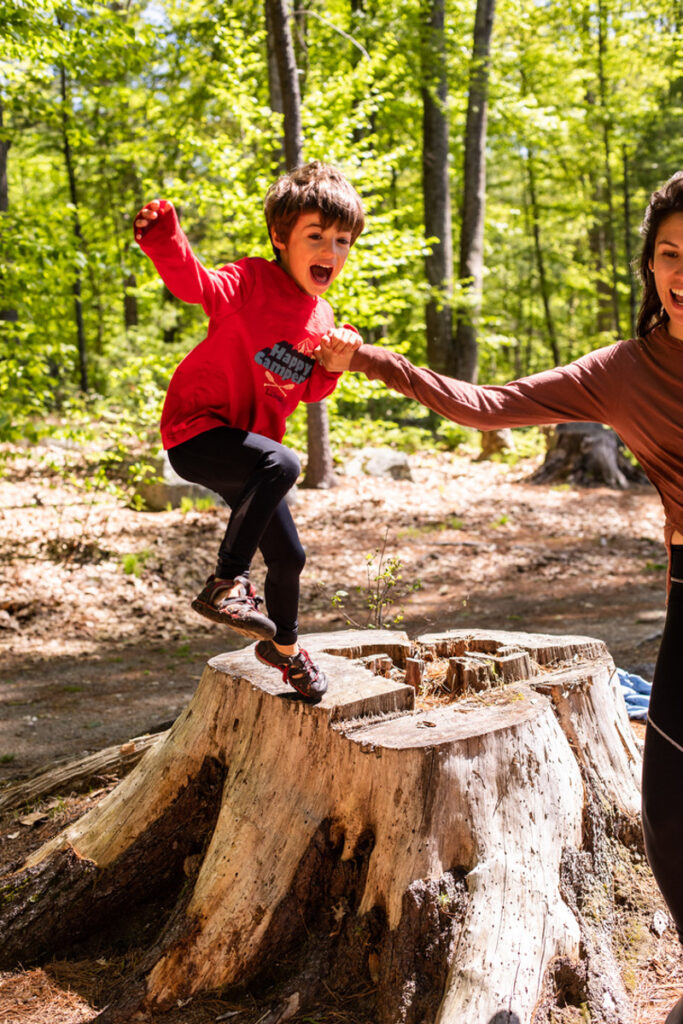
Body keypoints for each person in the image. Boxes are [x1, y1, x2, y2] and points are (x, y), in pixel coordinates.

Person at [319, 170, 683, 1023]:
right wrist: (371, 360)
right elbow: (487, 408)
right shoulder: (623, 372)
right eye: (669, 254)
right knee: (664, 807)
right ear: (649, 266)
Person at [134, 161, 364, 703]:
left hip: (247, 456)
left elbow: (307, 391)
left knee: (290, 557)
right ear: (280, 238)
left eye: (343, 241)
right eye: (316, 236)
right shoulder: (250, 281)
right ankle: (226, 583)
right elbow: (198, 286)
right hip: (196, 431)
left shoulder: (321, 316)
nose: (330, 251)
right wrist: (167, 240)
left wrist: (332, 362)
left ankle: (283, 650)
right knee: (283, 463)